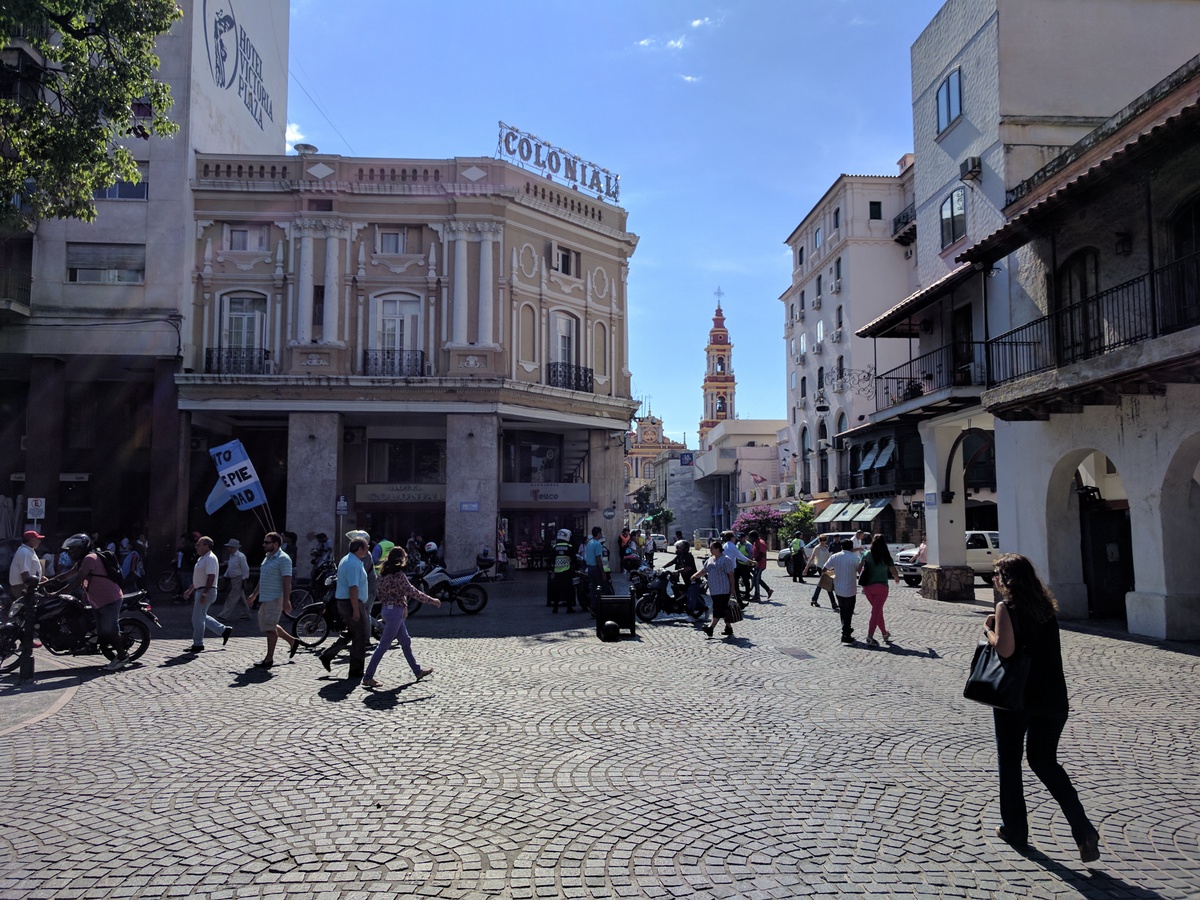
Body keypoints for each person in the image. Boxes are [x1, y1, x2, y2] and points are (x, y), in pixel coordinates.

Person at [984, 553, 1100, 862]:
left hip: (1016, 698)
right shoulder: (1046, 608)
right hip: (1052, 697)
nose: (994, 580)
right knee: (1045, 762)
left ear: (1007, 580)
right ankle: (1083, 829)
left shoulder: (1006, 608)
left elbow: (1006, 650)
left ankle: (1015, 829)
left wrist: (989, 630)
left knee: (1010, 762)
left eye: (996, 575)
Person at [361, 547, 441, 688]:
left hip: (387, 610)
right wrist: (432, 600)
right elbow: (412, 592)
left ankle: (417, 671)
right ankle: (368, 677)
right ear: (401, 559)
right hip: (395, 613)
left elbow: (380, 593)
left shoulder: (382, 574)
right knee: (383, 645)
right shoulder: (399, 575)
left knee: (405, 641)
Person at [65, 534, 129, 671]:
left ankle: (122, 656)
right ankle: (95, 647)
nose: (70, 552)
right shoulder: (82, 561)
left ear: (81, 548)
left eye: (73, 549)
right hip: (97, 600)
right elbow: (67, 575)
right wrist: (46, 583)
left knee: (110, 630)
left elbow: (76, 582)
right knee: (101, 631)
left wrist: (55, 593)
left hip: (110, 599)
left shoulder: (90, 558)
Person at [244, 531, 299, 668]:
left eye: (267, 542)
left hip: (276, 597)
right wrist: (254, 595)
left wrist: (286, 600)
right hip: (265, 597)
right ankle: (292, 641)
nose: (264, 545)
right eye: (264, 542)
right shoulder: (267, 558)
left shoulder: (284, 559)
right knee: (268, 625)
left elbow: (287, 581)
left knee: (270, 629)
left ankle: (269, 659)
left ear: (275, 544)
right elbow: (263, 579)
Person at [318, 538, 370, 680]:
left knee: (352, 632)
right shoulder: (352, 563)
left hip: (347, 602)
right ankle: (356, 670)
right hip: (351, 602)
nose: (367, 549)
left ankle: (327, 655)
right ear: (359, 548)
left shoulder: (349, 560)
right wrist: (356, 610)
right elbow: (353, 588)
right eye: (366, 547)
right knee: (360, 635)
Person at [183, 536, 232, 653]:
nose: (196, 547)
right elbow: (199, 578)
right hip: (201, 589)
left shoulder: (210, 558)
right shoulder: (202, 558)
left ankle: (198, 643)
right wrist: (190, 590)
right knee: (201, 616)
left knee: (197, 618)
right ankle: (223, 630)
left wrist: (205, 593)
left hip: (206, 591)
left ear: (206, 546)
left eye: (199, 545)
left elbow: (211, 576)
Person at [858, 534, 900, 646]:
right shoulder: (886, 556)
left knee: (877, 611)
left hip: (868, 588)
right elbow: (893, 571)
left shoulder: (867, 554)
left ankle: (884, 633)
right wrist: (896, 578)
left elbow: (859, 568)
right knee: (876, 612)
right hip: (882, 587)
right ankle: (870, 637)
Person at [694, 540, 737, 639]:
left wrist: (733, 588)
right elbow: (704, 570)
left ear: (718, 549)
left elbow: (731, 575)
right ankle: (728, 628)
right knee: (723, 609)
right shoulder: (710, 559)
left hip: (723, 589)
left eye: (712, 548)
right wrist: (695, 576)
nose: (710, 550)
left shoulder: (726, 560)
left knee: (717, 609)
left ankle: (710, 628)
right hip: (713, 590)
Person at [825, 539, 862, 644]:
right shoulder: (855, 558)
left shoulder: (835, 557)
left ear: (841, 547)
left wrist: (833, 573)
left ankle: (846, 629)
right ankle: (846, 633)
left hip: (838, 588)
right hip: (850, 589)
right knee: (849, 612)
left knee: (842, 610)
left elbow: (825, 568)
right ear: (851, 547)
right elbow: (860, 571)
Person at [216, 538, 251, 623]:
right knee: (241, 598)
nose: (228, 549)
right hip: (234, 579)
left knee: (231, 598)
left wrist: (244, 579)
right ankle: (246, 614)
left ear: (234, 548)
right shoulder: (232, 556)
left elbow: (246, 569)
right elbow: (230, 567)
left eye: (230, 547)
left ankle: (223, 615)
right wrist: (225, 576)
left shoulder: (241, 556)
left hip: (239, 579)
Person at [9, 529, 44, 598]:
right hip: (22, 587)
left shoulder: (28, 551)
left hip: (25, 586)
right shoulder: (24, 552)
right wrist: (29, 589)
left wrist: (40, 578)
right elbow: (24, 572)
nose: (39, 541)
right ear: (32, 540)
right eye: (38, 539)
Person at [722, 531, 753, 605]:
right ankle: (738, 603)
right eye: (734, 536)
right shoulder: (732, 546)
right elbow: (740, 556)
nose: (735, 538)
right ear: (731, 538)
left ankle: (739, 603)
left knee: (733, 586)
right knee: (734, 586)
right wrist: (751, 561)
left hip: (727, 568)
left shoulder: (725, 545)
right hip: (731, 569)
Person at [549, 528, 576, 613]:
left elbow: (551, 560)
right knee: (569, 590)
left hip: (557, 572)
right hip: (567, 572)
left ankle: (555, 608)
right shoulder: (569, 547)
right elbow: (574, 560)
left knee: (556, 590)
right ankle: (569, 608)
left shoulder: (554, 547)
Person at [810, 535, 838, 609]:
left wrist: (832, 566)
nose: (823, 542)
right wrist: (806, 568)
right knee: (828, 584)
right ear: (819, 541)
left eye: (824, 540)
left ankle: (814, 599)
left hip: (826, 567)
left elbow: (828, 558)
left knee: (822, 584)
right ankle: (833, 603)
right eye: (821, 540)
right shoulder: (817, 548)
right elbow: (812, 558)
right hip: (820, 567)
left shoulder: (826, 547)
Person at [748, 530, 774, 601]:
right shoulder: (755, 542)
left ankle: (757, 596)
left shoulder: (761, 543)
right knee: (757, 579)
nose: (750, 539)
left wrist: (754, 562)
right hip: (757, 564)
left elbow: (762, 554)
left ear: (754, 537)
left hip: (760, 564)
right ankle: (768, 590)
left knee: (755, 579)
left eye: (750, 537)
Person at [584, 526, 607, 600]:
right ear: (598, 533)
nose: (601, 535)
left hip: (589, 568)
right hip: (595, 568)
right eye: (601, 533)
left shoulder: (589, 543)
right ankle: (600, 603)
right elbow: (598, 559)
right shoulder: (597, 544)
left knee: (593, 588)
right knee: (600, 587)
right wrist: (603, 572)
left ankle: (593, 603)